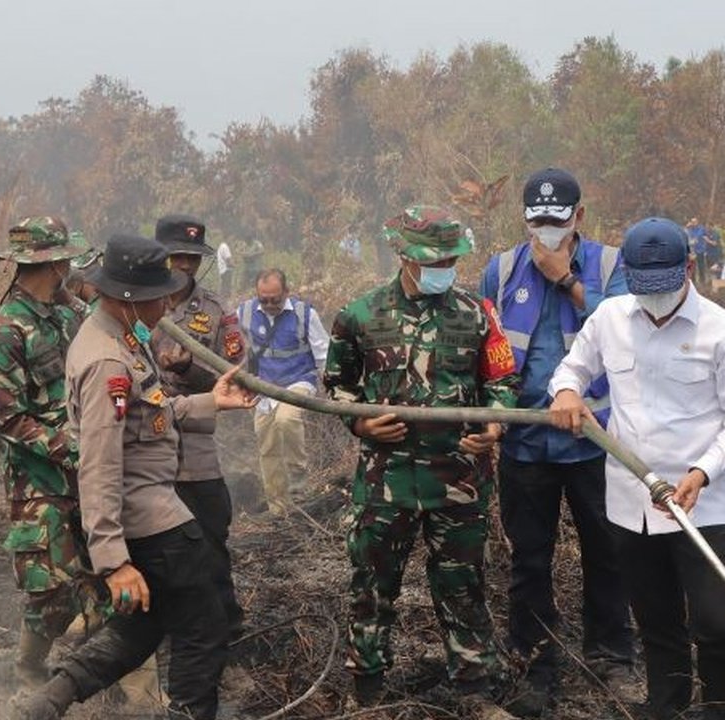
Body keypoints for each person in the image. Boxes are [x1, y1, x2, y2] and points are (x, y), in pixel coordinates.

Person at [12, 234, 256, 720]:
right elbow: (98, 462)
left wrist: (210, 402)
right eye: (158, 296)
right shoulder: (107, 361)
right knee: (204, 627)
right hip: (149, 518)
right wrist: (113, 561)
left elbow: (151, 413)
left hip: (152, 507)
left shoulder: (121, 337)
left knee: (143, 625)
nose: (167, 304)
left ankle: (49, 700)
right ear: (128, 298)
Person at [548, 217, 725, 720]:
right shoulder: (609, 318)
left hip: (699, 501)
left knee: (716, 621)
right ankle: (666, 705)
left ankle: (724, 710)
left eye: (664, 286)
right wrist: (567, 392)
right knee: (654, 617)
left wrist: (702, 472)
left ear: (688, 267)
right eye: (643, 287)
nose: (654, 299)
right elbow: (571, 369)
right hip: (630, 499)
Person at [324, 205, 520, 710]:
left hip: (459, 478)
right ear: (404, 256)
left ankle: (473, 689)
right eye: (434, 260)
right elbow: (337, 387)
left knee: (463, 584)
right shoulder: (360, 315)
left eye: (450, 260)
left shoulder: (477, 314)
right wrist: (360, 423)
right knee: (372, 584)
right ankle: (368, 691)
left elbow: (501, 381)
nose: (443, 269)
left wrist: (493, 425)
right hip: (385, 479)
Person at [478, 168, 634, 715]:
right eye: (537, 220)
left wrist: (565, 278)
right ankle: (535, 662)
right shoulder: (500, 270)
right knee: (529, 558)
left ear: (579, 217)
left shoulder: (611, 265)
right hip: (525, 444)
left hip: (595, 440)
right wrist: (491, 419)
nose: (546, 229)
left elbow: (626, 333)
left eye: (557, 219)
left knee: (608, 552)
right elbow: (486, 349)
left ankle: (611, 655)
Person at [0, 216, 99, 686]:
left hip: (88, 473)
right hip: (40, 483)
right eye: (66, 261)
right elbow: (10, 419)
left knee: (103, 572)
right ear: (54, 264)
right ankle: (29, 670)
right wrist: (74, 449)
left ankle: (109, 676)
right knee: (51, 588)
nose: (71, 268)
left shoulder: (68, 316)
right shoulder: (4, 332)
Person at [149, 213, 248, 638]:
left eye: (192, 258)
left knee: (208, 536)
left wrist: (190, 369)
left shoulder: (216, 311)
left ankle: (224, 629)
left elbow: (237, 375)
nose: (185, 265)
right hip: (141, 439)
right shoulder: (134, 300)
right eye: (177, 256)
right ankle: (159, 631)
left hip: (193, 444)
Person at [237, 268, 328, 515]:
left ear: (286, 292)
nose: (269, 305)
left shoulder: (304, 314)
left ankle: (299, 478)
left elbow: (323, 355)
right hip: (264, 388)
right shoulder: (244, 313)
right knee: (267, 445)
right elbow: (233, 347)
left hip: (298, 381)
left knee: (287, 419)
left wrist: (332, 386)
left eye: (275, 300)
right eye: (263, 300)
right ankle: (278, 506)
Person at [685, 218, 710, 285]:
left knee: (701, 266)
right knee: (693, 267)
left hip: (700, 250)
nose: (693, 223)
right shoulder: (689, 229)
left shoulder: (701, 229)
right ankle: (693, 281)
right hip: (693, 251)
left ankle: (702, 281)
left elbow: (705, 237)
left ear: (697, 222)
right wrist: (687, 227)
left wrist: (705, 247)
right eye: (692, 222)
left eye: (695, 222)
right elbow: (687, 236)